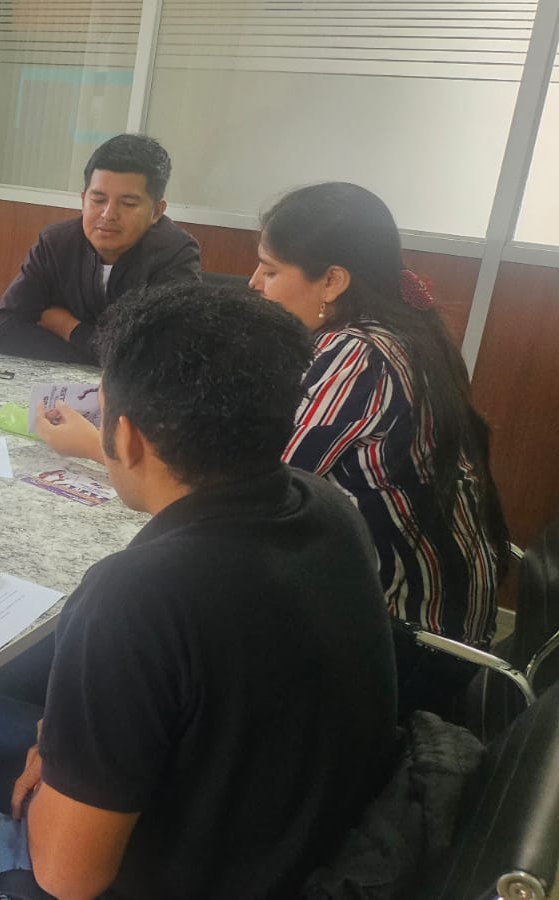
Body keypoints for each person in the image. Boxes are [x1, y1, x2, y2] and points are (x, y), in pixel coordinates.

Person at [0, 282, 399, 899]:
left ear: (125, 437)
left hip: (152, 879)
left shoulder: (137, 597)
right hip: (291, 839)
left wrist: (59, 765)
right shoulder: (328, 508)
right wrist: (64, 742)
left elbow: (68, 877)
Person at [42, 183, 509, 713]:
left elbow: (243, 492)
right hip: (437, 617)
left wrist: (101, 446)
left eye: (270, 269)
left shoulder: (358, 356)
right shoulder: (395, 328)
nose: (253, 283)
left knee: (149, 628)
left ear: (332, 280)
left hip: (405, 643)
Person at [0, 134, 200, 365]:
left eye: (128, 203)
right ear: (83, 200)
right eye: (98, 200)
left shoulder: (175, 254)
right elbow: (3, 331)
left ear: (156, 212)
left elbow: (164, 357)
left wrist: (70, 328)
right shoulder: (56, 243)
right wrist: (103, 354)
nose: (108, 214)